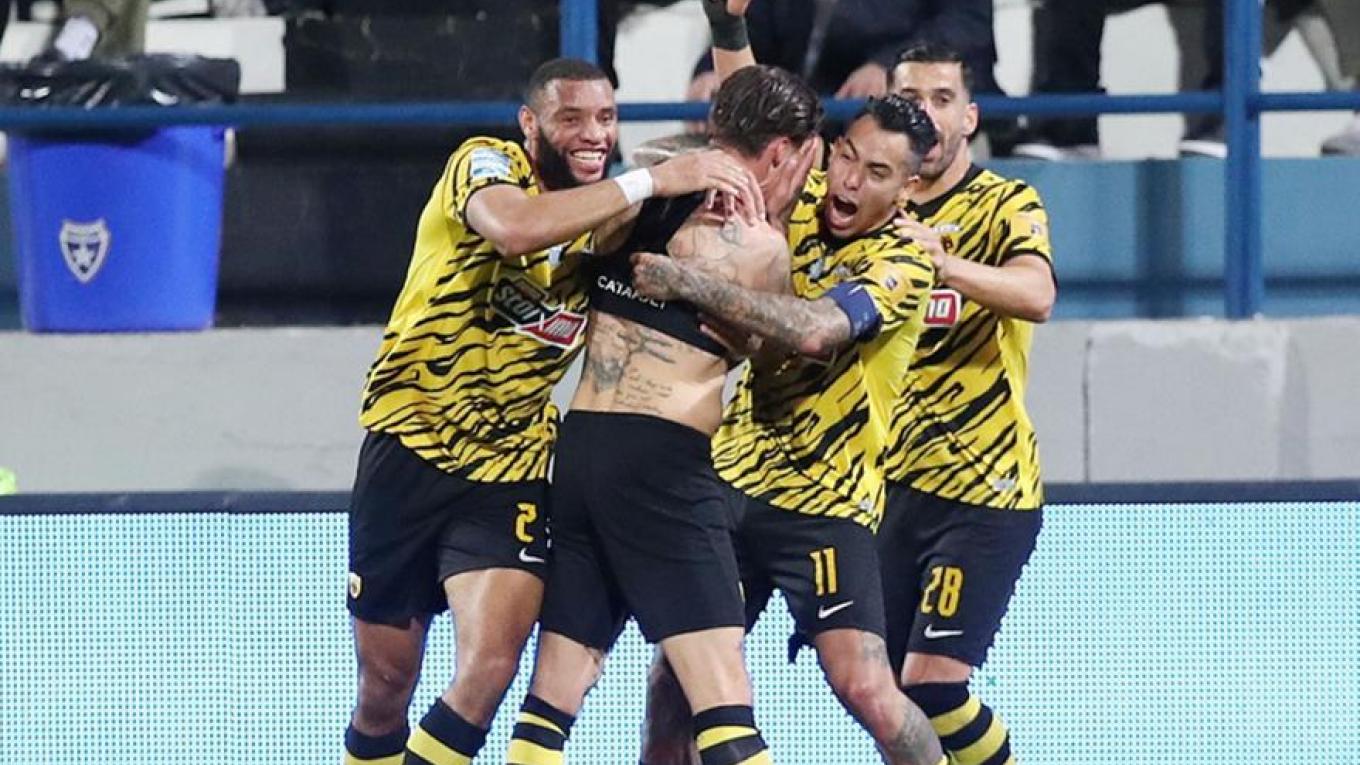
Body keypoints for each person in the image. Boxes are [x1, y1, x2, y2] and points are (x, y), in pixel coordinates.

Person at [343, 56, 765, 765]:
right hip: (408, 449)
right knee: (386, 686)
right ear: (531, 124)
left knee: (490, 667)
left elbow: (756, 139)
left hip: (510, 465)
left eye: (606, 118)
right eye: (572, 118)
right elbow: (513, 229)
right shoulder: (485, 164)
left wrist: (718, 191)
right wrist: (656, 179)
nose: (593, 134)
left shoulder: (611, 216)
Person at [635, 8, 947, 765]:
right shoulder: (802, 202)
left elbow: (813, 331)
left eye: (877, 174)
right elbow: (752, 110)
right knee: (674, 683)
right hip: (733, 484)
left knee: (866, 687)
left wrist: (687, 283)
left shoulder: (901, 265)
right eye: (847, 157)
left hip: (825, 504)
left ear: (906, 191)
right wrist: (726, 24)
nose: (850, 181)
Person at [500, 62, 823, 765]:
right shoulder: (759, 242)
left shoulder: (635, 190)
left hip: (581, 447)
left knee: (553, 698)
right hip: (664, 461)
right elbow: (782, 355)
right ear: (782, 154)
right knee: (725, 703)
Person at [881, 43, 1057, 765]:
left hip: (984, 486)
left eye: (942, 99)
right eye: (910, 98)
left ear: (970, 118)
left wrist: (942, 263)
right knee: (888, 697)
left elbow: (1037, 294)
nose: (924, 113)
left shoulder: (1005, 204)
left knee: (933, 685)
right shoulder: (868, 208)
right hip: (885, 486)